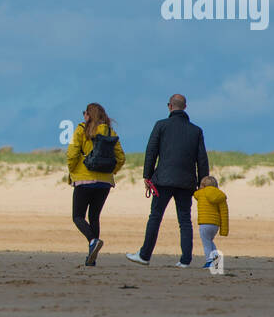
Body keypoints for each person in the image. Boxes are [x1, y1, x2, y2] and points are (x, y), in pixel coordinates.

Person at [126, 93, 209, 267]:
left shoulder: (161, 125)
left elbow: (151, 152)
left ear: (169, 106)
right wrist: (203, 182)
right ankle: (185, 260)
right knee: (185, 220)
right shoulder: (196, 130)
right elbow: (202, 159)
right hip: (186, 183)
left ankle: (145, 255)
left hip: (162, 180)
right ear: (185, 107)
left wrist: (147, 176)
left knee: (155, 217)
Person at [65, 103, 125, 266]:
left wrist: (73, 171)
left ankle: (92, 241)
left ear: (89, 115)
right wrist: (111, 172)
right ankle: (92, 259)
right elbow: (121, 158)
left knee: (78, 216)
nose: (83, 115)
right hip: (104, 183)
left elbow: (72, 154)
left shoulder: (81, 130)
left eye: (85, 112)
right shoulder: (110, 131)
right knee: (94, 217)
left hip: (84, 180)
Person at [194, 176, 229, 268]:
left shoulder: (201, 193)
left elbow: (195, 195)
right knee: (209, 241)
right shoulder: (220, 196)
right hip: (215, 225)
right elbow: (224, 213)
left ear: (203, 185)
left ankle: (210, 261)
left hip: (204, 223)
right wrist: (224, 230)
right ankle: (216, 259)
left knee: (206, 243)